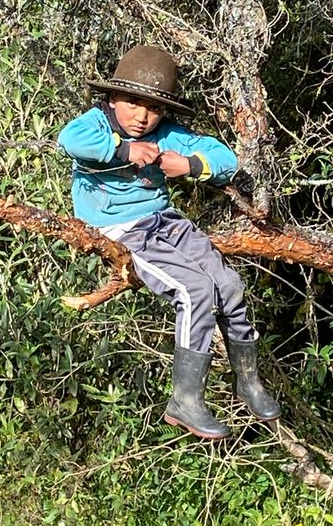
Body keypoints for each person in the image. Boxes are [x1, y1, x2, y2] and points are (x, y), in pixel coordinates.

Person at [57, 45, 281, 440]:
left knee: (229, 286)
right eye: (132, 103)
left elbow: (224, 158)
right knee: (194, 291)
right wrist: (124, 150)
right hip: (122, 229)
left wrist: (190, 165)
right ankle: (184, 400)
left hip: (165, 220)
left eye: (153, 108)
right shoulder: (93, 123)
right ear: (112, 97)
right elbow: (70, 140)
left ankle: (247, 380)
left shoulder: (167, 134)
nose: (142, 116)